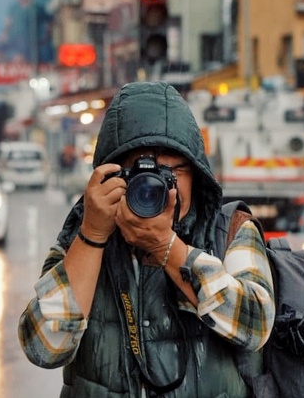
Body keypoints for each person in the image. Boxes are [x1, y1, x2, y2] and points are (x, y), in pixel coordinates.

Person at [18, 81, 275, 397]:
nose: (156, 188)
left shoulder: (229, 230)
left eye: (173, 172)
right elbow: (44, 348)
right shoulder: (82, 237)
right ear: (111, 176)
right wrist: (93, 236)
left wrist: (169, 249)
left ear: (196, 172)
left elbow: (256, 326)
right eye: (140, 173)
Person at [0, 0, 53, 64]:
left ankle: (18, 60)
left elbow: (49, 21)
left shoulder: (37, 8)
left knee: (19, 60)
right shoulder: (14, 8)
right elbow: (8, 24)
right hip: (12, 39)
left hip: (28, 42)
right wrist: (4, 34)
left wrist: (46, 36)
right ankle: (9, 61)